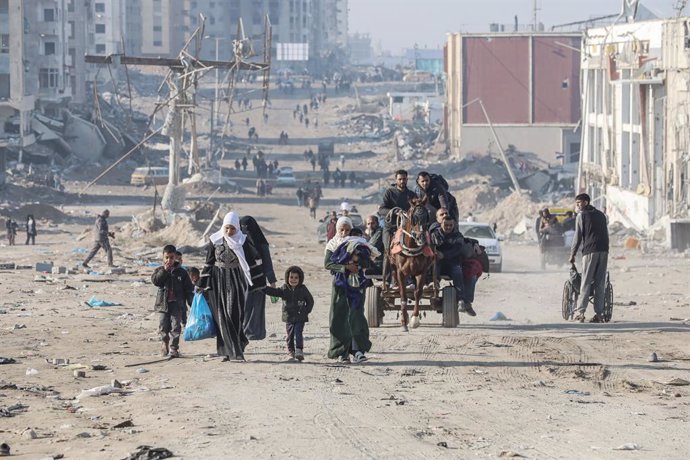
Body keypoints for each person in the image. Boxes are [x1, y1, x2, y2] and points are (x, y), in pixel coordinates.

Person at [199, 212, 259, 361]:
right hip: (216, 282)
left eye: (232, 228)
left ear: (237, 228)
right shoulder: (215, 240)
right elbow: (208, 262)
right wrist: (201, 284)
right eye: (226, 228)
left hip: (235, 280)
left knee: (233, 314)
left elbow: (251, 263)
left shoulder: (242, 241)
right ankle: (228, 352)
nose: (229, 232)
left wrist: (259, 283)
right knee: (221, 317)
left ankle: (238, 345)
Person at [324, 217, 373, 363]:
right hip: (340, 286)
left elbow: (368, 261)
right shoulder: (332, 245)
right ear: (337, 230)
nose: (344, 233)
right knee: (339, 317)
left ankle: (357, 350)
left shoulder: (358, 243)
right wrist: (345, 267)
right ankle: (342, 352)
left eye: (347, 230)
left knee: (356, 316)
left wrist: (357, 261)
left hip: (357, 285)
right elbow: (328, 264)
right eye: (341, 230)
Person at [569, 193, 609, 323]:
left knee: (585, 282)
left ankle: (580, 313)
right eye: (577, 203)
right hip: (603, 250)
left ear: (586, 202)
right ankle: (599, 314)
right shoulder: (601, 215)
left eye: (579, 203)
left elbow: (577, 237)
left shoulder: (581, 215)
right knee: (600, 283)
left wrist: (572, 254)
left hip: (590, 251)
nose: (578, 205)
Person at [151, 244, 195, 357]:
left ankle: (174, 347)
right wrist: (165, 271)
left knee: (176, 326)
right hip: (163, 304)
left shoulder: (182, 272)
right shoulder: (159, 270)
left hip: (177, 304)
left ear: (175, 257)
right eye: (167, 257)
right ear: (163, 257)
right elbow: (156, 282)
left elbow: (189, 289)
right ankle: (164, 343)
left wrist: (192, 304)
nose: (169, 260)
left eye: (171, 257)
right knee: (163, 326)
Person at [264, 266, 314, 361]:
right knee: (290, 334)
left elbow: (310, 301)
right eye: (291, 277)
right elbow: (275, 292)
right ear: (287, 278)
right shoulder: (284, 289)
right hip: (289, 317)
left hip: (300, 317)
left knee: (298, 332)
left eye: (296, 278)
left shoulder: (303, 289)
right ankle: (291, 351)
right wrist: (264, 288)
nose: (293, 280)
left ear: (300, 279)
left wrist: (306, 311)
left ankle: (299, 350)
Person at [240, 216, 275, 340]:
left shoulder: (261, 243)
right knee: (244, 305)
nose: (246, 231)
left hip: (259, 278)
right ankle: (244, 330)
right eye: (243, 228)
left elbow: (267, 261)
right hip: (243, 279)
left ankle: (256, 332)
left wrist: (272, 280)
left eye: (248, 228)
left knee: (257, 306)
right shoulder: (238, 242)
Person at [431, 217, 470, 314]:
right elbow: (431, 246)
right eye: (446, 225)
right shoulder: (435, 234)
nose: (448, 227)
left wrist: (444, 254)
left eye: (450, 225)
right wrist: (435, 252)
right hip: (438, 262)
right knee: (433, 269)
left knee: (457, 271)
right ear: (441, 224)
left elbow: (457, 250)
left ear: (453, 225)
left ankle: (461, 299)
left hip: (452, 262)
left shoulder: (458, 236)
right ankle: (433, 290)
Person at [378, 169, 418, 254]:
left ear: (407, 179)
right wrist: (395, 212)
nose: (402, 181)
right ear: (396, 180)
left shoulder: (411, 195)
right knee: (387, 249)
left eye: (404, 179)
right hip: (391, 226)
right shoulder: (389, 192)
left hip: (407, 227)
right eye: (400, 179)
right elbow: (381, 209)